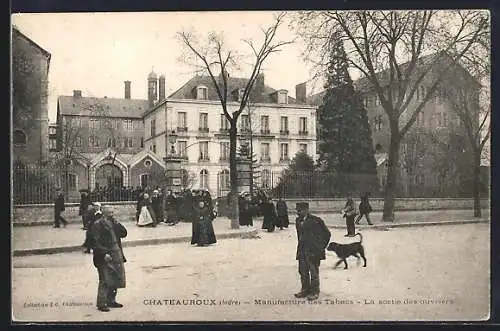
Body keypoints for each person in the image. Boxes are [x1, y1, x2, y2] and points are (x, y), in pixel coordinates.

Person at [89, 204, 127, 312]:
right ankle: (101, 303)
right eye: (110, 213)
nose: (112, 215)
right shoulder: (97, 224)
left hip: (116, 253)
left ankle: (111, 300)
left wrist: (118, 223)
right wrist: (104, 253)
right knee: (105, 279)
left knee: (115, 277)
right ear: (104, 213)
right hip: (105, 255)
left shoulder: (114, 223)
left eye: (113, 213)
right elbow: (95, 242)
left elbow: (124, 234)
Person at [294, 202, 331, 301]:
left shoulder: (316, 220)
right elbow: (300, 236)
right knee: (303, 271)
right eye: (297, 210)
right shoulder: (298, 221)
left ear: (306, 210)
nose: (297, 212)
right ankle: (305, 290)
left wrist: (320, 247)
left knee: (314, 272)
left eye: (300, 210)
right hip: (302, 250)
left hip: (314, 251)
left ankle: (315, 292)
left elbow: (327, 234)